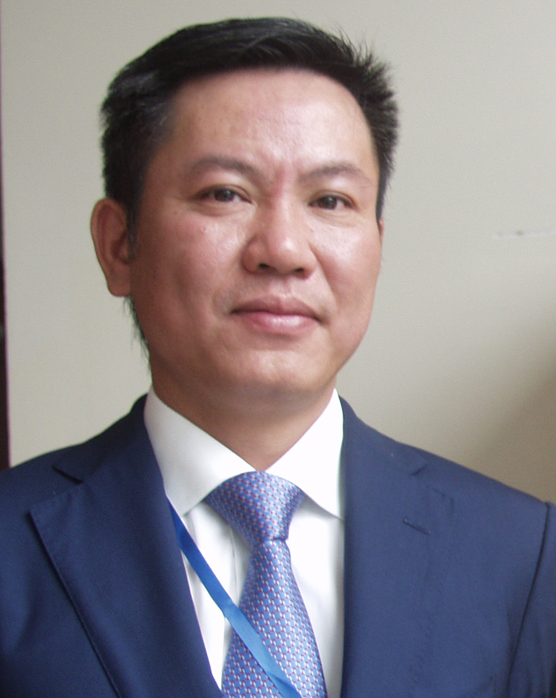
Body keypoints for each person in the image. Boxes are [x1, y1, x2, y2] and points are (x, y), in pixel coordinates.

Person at [0, 17, 555, 698]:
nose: (284, 250)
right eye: (225, 193)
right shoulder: (12, 545)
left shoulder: (520, 552)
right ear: (120, 245)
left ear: (377, 245)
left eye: (330, 200)